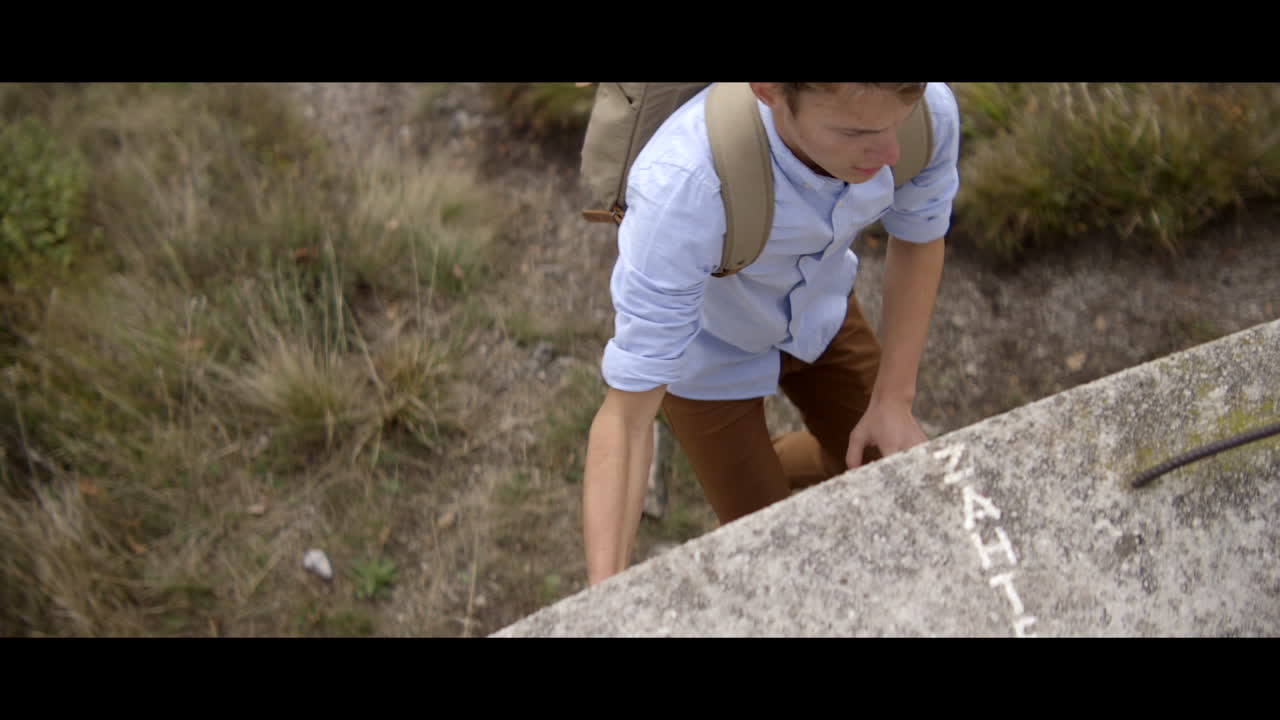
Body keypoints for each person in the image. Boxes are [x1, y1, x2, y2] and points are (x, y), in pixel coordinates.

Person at [582, 82, 961, 586]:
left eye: (899, 119)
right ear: (770, 91)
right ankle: (749, 485)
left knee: (869, 460)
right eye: (855, 131)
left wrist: (894, 399)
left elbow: (920, 236)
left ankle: (764, 464)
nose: (891, 152)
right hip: (707, 360)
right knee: (768, 541)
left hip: (820, 314)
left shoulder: (928, 112)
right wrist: (605, 598)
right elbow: (627, 422)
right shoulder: (683, 184)